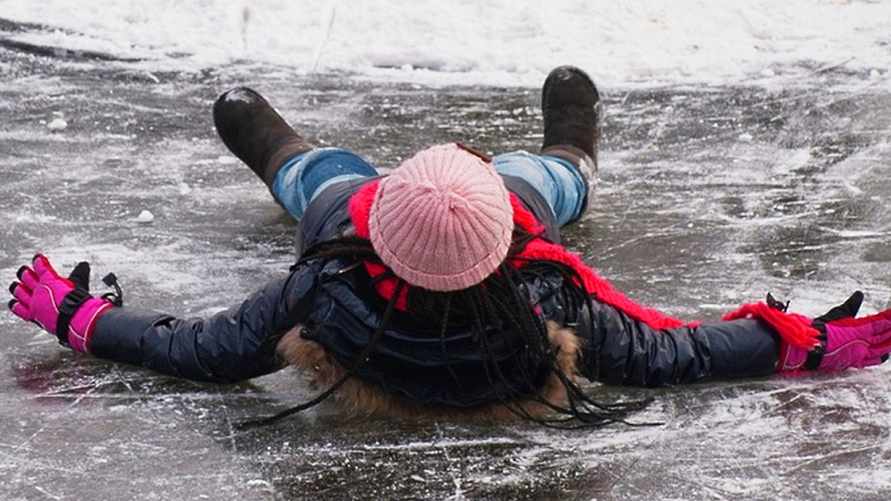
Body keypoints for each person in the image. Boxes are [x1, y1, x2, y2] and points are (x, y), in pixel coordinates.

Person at [7, 66, 891, 428]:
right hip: (492, 223)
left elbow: (202, 350)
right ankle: (572, 148)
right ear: (503, 243)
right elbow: (677, 352)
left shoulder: (328, 278)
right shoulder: (548, 296)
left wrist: (80, 317)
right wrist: (801, 341)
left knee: (324, 181)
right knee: (540, 180)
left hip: (355, 224)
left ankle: (277, 148)